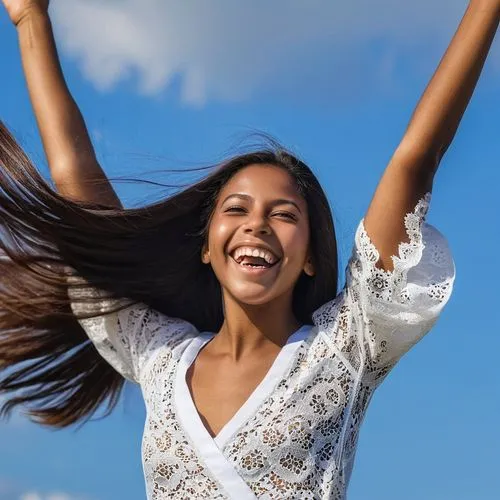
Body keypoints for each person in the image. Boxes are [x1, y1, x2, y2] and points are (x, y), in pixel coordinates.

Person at [0, 0, 498, 498]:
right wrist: (31, 21)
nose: (256, 225)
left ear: (310, 257)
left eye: (283, 215)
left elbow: (415, 159)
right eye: (236, 210)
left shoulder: (345, 348)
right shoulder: (160, 355)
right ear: (205, 248)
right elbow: (78, 183)